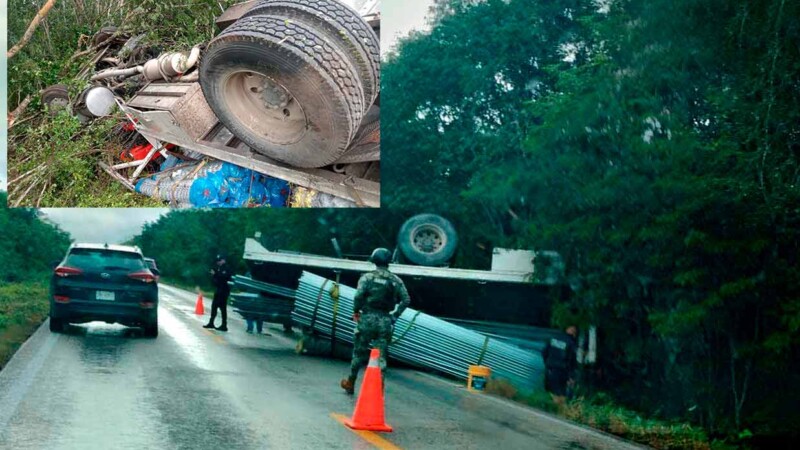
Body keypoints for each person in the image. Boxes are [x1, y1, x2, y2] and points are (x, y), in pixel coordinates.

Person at [340, 248, 411, 395]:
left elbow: (358, 296)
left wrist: (356, 311)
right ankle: (379, 391)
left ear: (374, 260)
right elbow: (406, 300)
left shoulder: (367, 278)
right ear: (389, 262)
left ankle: (350, 383)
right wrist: (394, 316)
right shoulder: (396, 280)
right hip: (385, 321)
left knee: (358, 354)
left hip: (367, 319)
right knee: (381, 357)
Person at [541, 325, 578, 406]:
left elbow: (544, 352)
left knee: (551, 390)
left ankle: (551, 407)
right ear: (574, 333)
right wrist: (572, 376)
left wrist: (547, 363)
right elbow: (572, 361)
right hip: (562, 371)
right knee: (561, 393)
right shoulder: (571, 343)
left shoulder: (554, 338)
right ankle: (557, 409)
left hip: (550, 369)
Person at [203, 254, 233, 332]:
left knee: (223, 308)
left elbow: (224, 278)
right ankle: (211, 322)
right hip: (219, 289)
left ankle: (224, 325)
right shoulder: (219, 269)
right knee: (214, 306)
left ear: (223, 260)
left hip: (224, 290)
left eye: (219, 260)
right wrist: (213, 276)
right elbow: (216, 281)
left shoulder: (227, 268)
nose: (218, 262)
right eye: (217, 261)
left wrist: (215, 274)